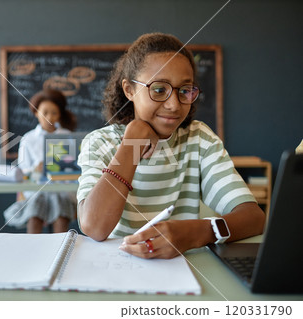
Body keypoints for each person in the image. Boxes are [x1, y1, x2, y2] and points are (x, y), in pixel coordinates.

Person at [77, 33, 265, 259]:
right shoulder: (99, 142)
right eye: (158, 90)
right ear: (129, 90)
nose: (174, 105)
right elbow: (94, 227)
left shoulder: (198, 139)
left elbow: (253, 217)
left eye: (185, 90)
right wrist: (132, 143)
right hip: (116, 266)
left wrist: (199, 232)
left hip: (183, 268)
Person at [3, 89, 77, 233]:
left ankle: (60, 252)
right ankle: (32, 251)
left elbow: (75, 167)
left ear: (60, 114)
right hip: (37, 191)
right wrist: (35, 169)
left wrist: (63, 166)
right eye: (45, 112)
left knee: (61, 214)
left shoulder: (68, 136)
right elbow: (23, 171)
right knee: (34, 214)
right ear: (36, 113)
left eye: (54, 113)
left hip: (62, 191)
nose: (49, 117)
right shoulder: (28, 138)